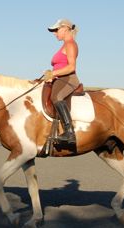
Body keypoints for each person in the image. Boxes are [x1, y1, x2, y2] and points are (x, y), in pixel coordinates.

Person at [43, 18, 80, 146]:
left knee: (56, 96)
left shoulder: (70, 44)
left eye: (56, 30)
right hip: (59, 78)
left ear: (65, 28)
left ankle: (70, 132)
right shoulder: (64, 45)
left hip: (68, 79)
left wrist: (53, 73)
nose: (54, 33)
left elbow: (71, 67)